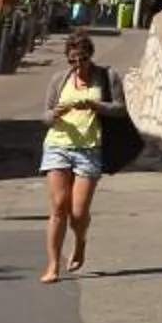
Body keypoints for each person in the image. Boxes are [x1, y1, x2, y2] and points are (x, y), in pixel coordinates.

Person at [39, 34, 125, 283]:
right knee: (58, 208)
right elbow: (45, 116)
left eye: (83, 59)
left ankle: (80, 241)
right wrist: (56, 113)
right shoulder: (59, 79)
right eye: (72, 60)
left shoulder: (107, 77)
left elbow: (120, 109)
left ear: (90, 55)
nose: (78, 65)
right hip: (58, 146)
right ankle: (53, 265)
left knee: (78, 212)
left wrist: (95, 105)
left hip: (89, 149)